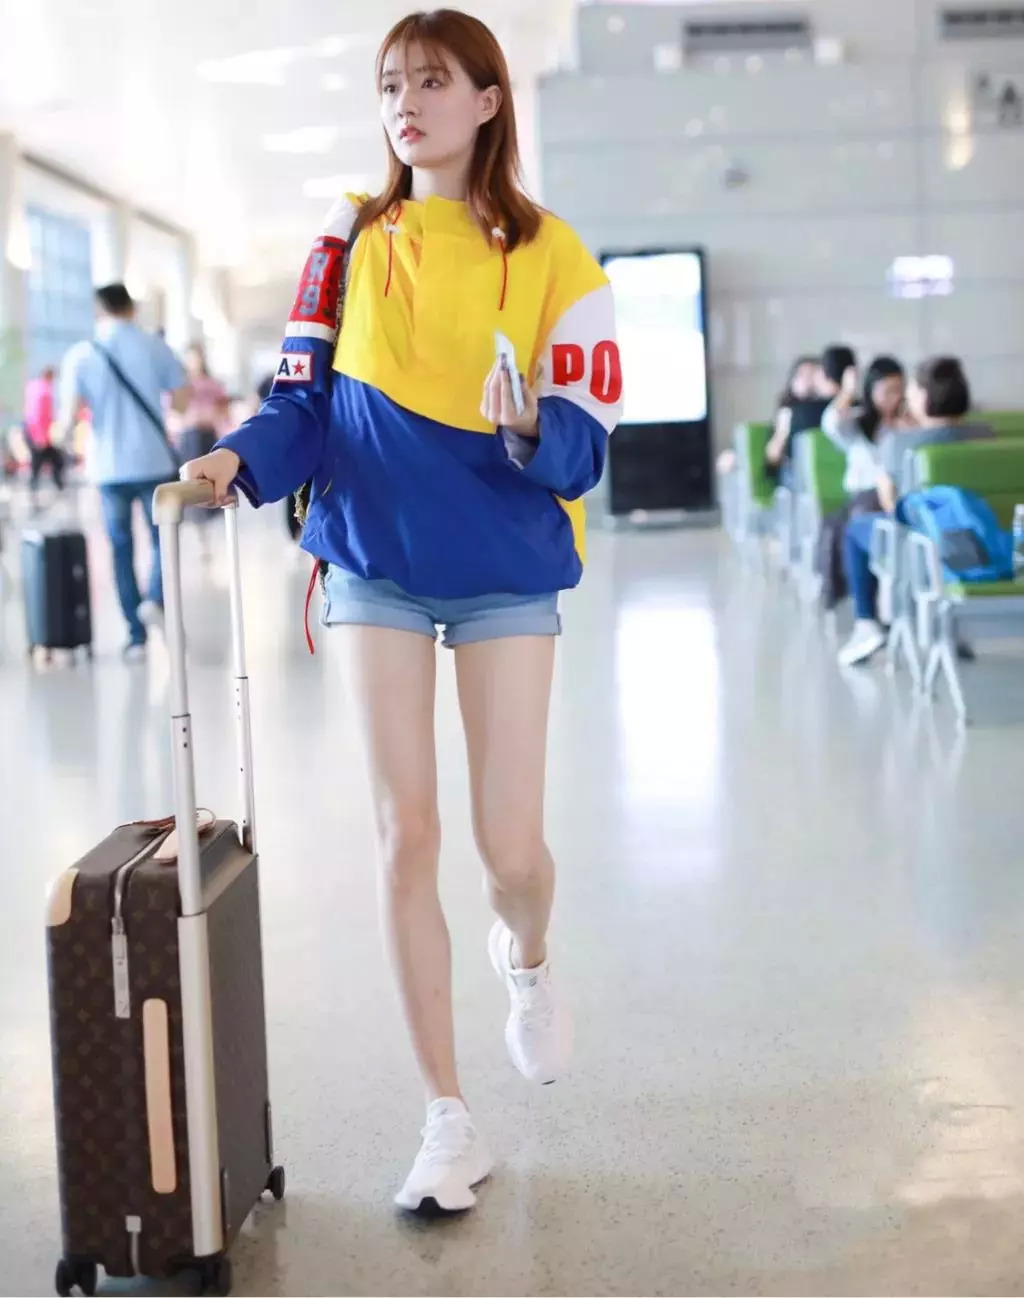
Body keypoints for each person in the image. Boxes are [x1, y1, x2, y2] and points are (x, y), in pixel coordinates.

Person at [181, 8, 622, 1213]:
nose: (405, 104)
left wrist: (526, 421)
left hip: (505, 565)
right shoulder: (346, 240)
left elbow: (588, 444)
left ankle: (526, 955)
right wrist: (236, 459)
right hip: (371, 560)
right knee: (404, 832)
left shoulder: (556, 255)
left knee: (509, 849)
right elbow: (301, 402)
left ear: (488, 99)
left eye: (431, 81)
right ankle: (446, 1116)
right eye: (389, 85)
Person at [59, 284, 187, 656]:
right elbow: (181, 400)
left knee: (120, 548)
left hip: (109, 467)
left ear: (99, 311)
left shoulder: (82, 354)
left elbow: (69, 418)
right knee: (162, 537)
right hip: (153, 460)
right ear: (131, 308)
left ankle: (135, 636)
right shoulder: (154, 346)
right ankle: (155, 599)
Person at [838, 356, 991, 667]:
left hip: (923, 556)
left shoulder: (899, 443)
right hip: (983, 547)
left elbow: (893, 506)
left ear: (923, 396)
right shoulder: (986, 435)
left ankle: (866, 623)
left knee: (854, 530)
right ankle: (948, 629)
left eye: (911, 390)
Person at [176, 343, 230, 558]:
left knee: (210, 484)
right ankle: (200, 536)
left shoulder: (212, 384)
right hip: (189, 436)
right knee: (192, 484)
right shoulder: (181, 385)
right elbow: (175, 410)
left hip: (207, 435)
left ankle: (208, 532)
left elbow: (223, 408)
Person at [763, 354, 828, 486]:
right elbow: (772, 459)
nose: (807, 380)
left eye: (812, 375)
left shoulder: (828, 407)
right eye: (802, 375)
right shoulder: (786, 412)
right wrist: (782, 433)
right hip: (794, 474)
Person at [23, 366, 65, 496]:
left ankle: (35, 486)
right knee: (55, 460)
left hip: (29, 429)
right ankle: (56, 486)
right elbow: (39, 415)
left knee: (39, 461)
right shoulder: (44, 391)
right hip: (38, 433)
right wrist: (41, 436)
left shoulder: (32, 387)